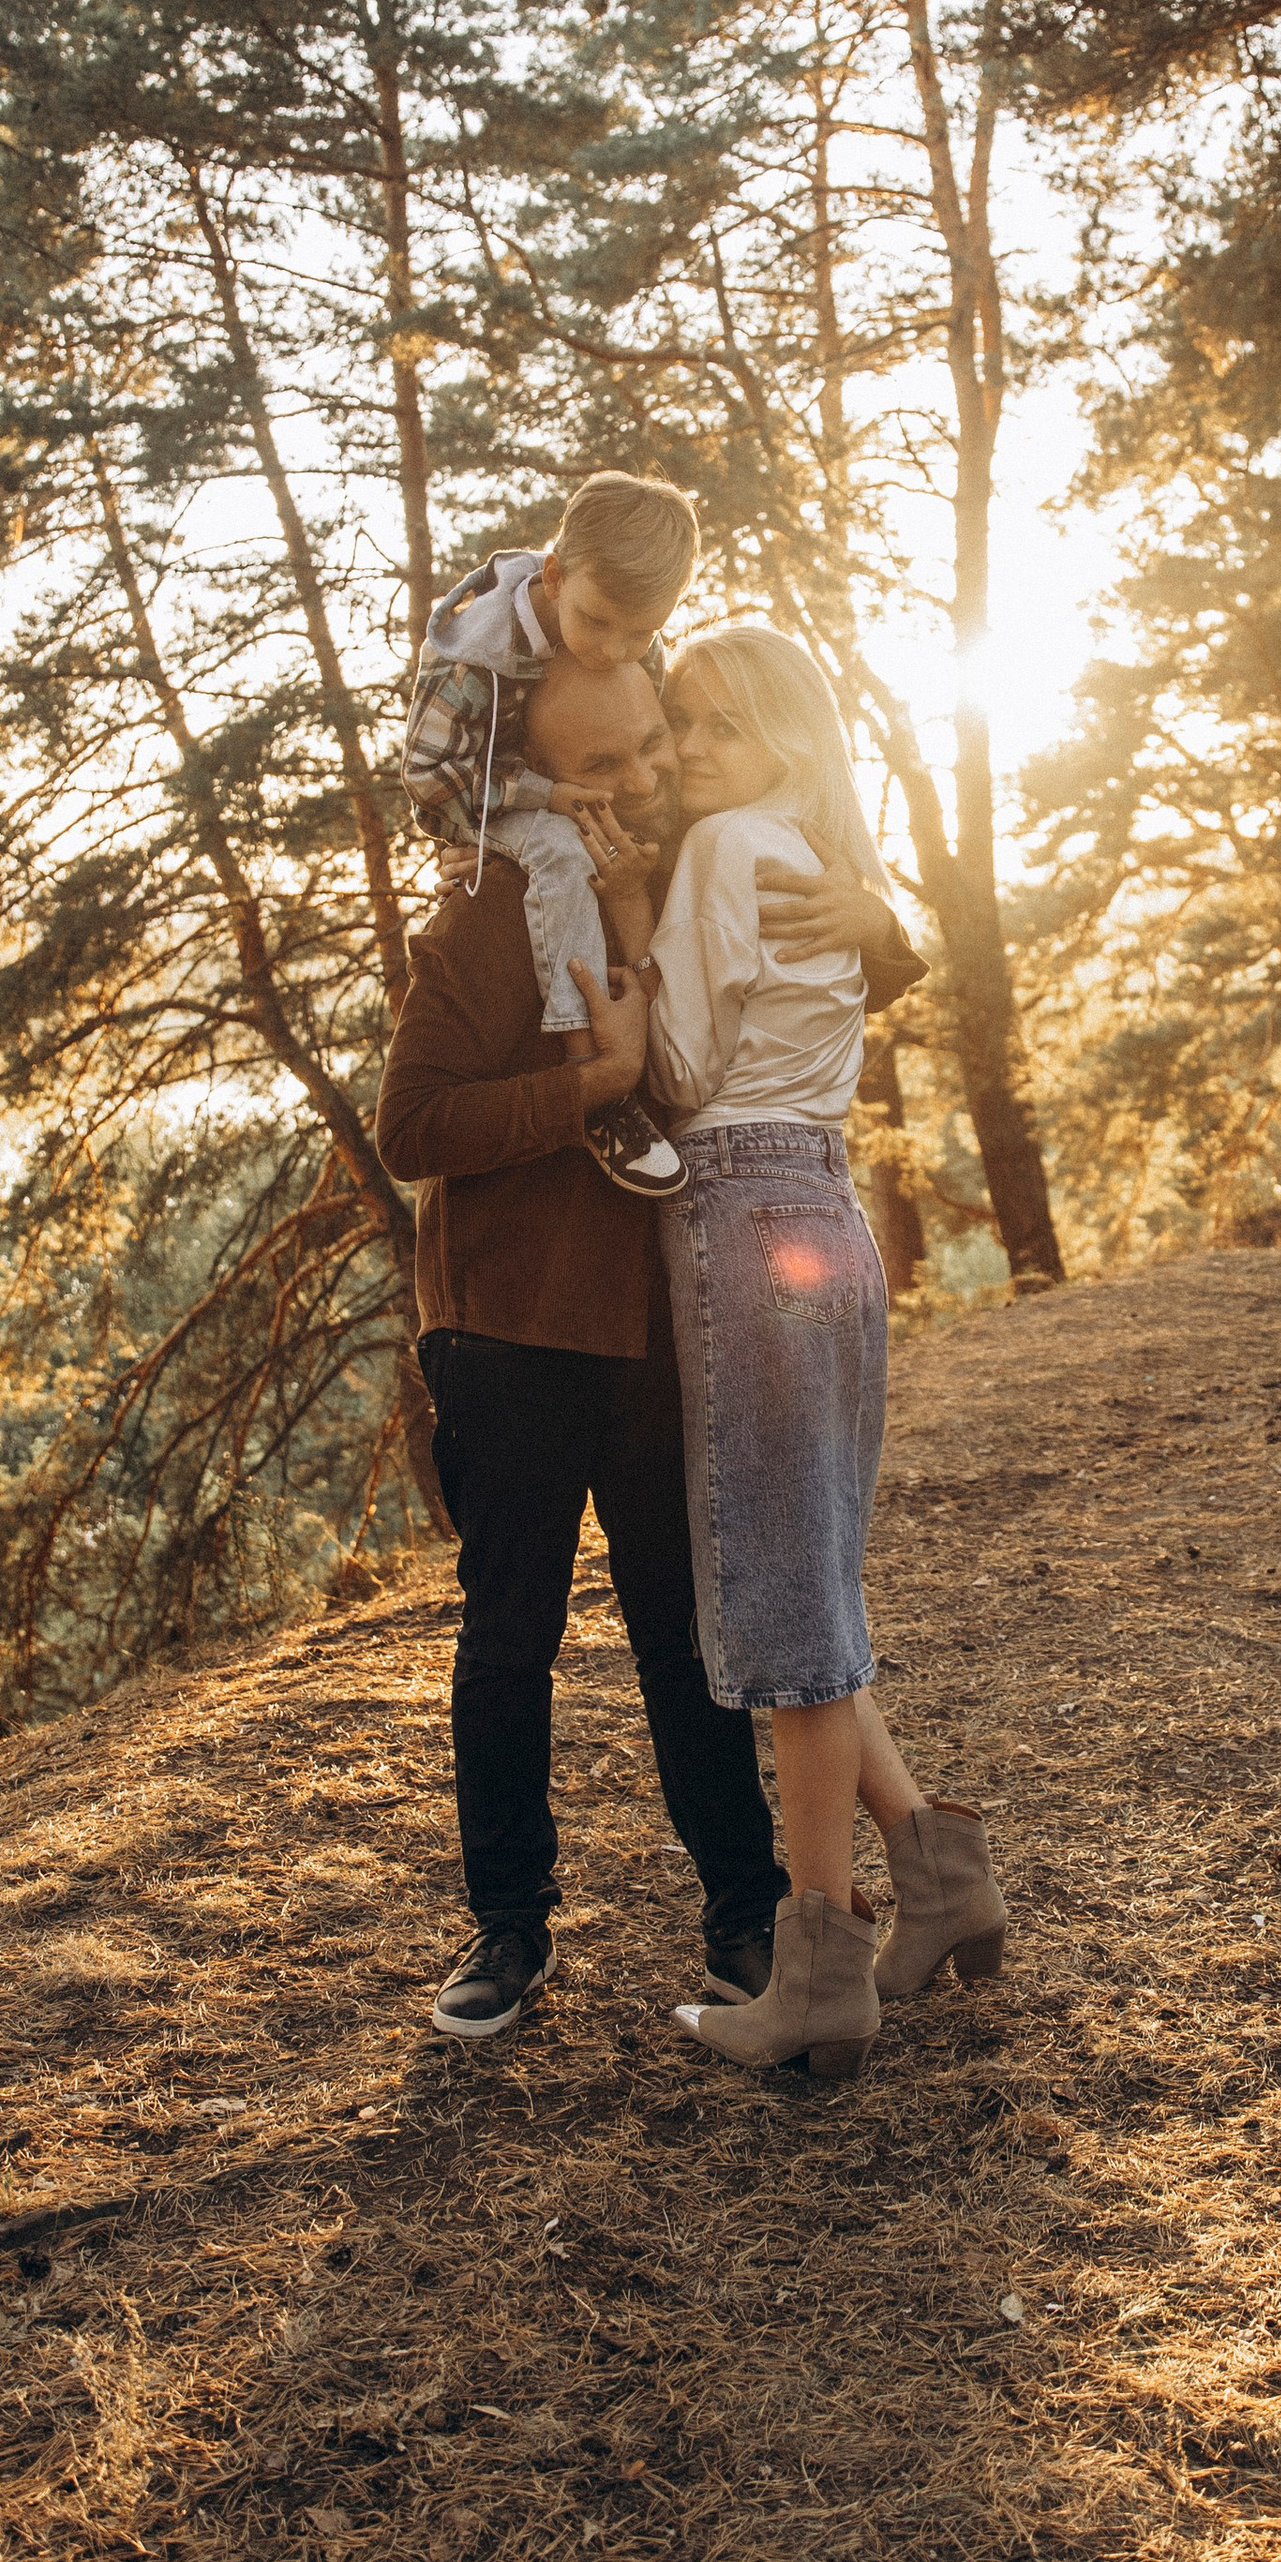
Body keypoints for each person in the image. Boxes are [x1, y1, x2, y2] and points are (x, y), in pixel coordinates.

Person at [373, 651, 928, 2042]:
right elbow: (412, 1128)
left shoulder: (705, 857)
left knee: (700, 1636)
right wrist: (592, 1088)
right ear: (539, 776)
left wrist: (886, 922)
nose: (640, 777)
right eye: (606, 762)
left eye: (651, 749)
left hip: (668, 1326)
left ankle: (749, 1913)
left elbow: (822, 985)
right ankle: (509, 1928)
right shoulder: (491, 919)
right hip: (508, 1326)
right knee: (512, 1642)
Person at [622, 622, 1007, 2085]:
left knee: (784, 1613)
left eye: (718, 724)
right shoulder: (815, 854)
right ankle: (942, 1875)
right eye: (683, 723)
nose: (693, 751)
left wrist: (609, 1023)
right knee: (810, 1582)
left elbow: (683, 1068)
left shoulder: (729, 847)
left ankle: (817, 1976)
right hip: (829, 1207)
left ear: (783, 734)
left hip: (743, 1206)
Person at [400, 469, 700, 1201]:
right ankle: (589, 1073)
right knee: (563, 854)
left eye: (642, 630)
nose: (615, 649)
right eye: (597, 622)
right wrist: (535, 800)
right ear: (557, 574)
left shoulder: (627, 641)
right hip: (484, 797)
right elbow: (430, 782)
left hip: (562, 788)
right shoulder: (473, 653)